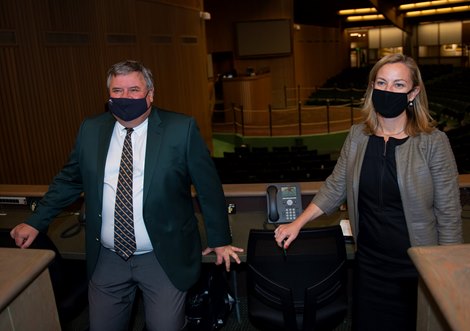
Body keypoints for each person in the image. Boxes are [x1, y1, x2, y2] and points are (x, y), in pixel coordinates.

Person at [10, 60, 243, 331]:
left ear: (150, 94)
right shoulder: (91, 130)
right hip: (107, 258)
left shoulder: (181, 129)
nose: (125, 97)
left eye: (134, 89)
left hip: (163, 256)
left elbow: (208, 188)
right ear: (108, 95)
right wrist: (36, 220)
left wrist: (220, 240)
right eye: (117, 91)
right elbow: (68, 181)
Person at [273, 53, 462, 331]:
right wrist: (297, 223)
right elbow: (335, 185)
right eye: (382, 83)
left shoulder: (434, 142)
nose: (388, 90)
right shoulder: (357, 136)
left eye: (399, 85)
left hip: (417, 265)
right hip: (370, 264)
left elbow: (448, 212)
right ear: (372, 88)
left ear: (414, 93)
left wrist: (448, 272)